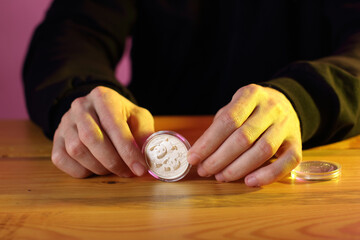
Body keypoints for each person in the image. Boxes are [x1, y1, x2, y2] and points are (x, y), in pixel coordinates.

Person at [23, 0, 360, 186]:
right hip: (142, 175)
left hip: (292, 161)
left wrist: (302, 100)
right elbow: (71, 30)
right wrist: (79, 94)